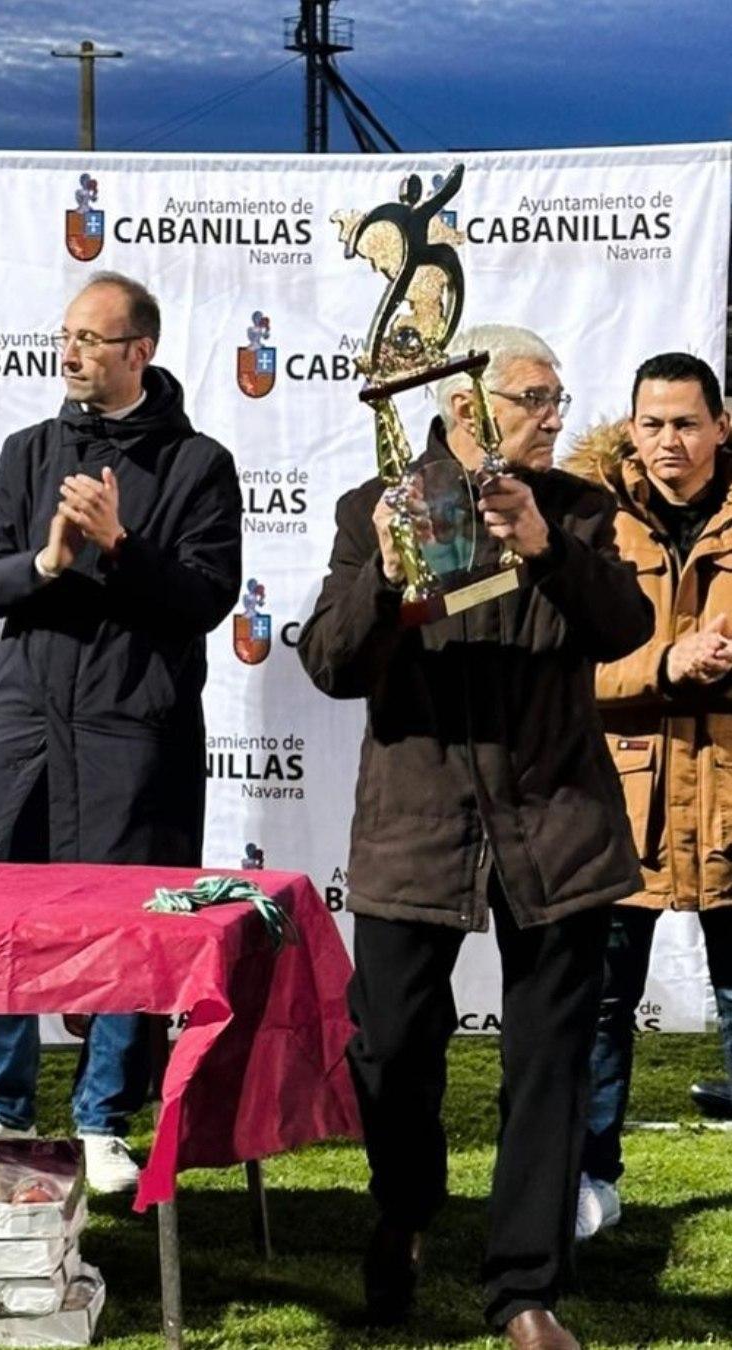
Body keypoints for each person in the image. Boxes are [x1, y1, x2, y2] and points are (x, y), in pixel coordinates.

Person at [298, 324, 654, 1350]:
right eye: (534, 397)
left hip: (558, 823)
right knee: (392, 1048)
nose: (556, 413)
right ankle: (406, 1208)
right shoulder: (374, 509)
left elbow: (624, 629)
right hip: (419, 826)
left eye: (556, 396)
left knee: (549, 1059)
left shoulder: (582, 512)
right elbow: (329, 660)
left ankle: (524, 1290)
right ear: (467, 412)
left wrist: (544, 550)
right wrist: (393, 565)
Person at [0, 273, 242, 1192]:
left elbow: (205, 599)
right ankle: (2, 1103)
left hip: (130, 729)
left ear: (138, 351)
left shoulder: (199, 465)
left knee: (124, 923)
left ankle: (103, 1115)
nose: (70, 352)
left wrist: (121, 546)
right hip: (25, 723)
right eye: (64, 335)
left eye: (90, 339)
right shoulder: (27, 451)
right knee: (0, 916)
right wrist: (45, 560)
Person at [566, 352, 732, 1238]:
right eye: (653, 423)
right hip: (622, 805)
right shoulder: (590, 519)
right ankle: (593, 1176)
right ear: (632, 427)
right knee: (600, 1004)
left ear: (721, 426)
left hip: (730, 801)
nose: (670, 441)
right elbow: (568, 672)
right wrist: (666, 665)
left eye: (687, 423)